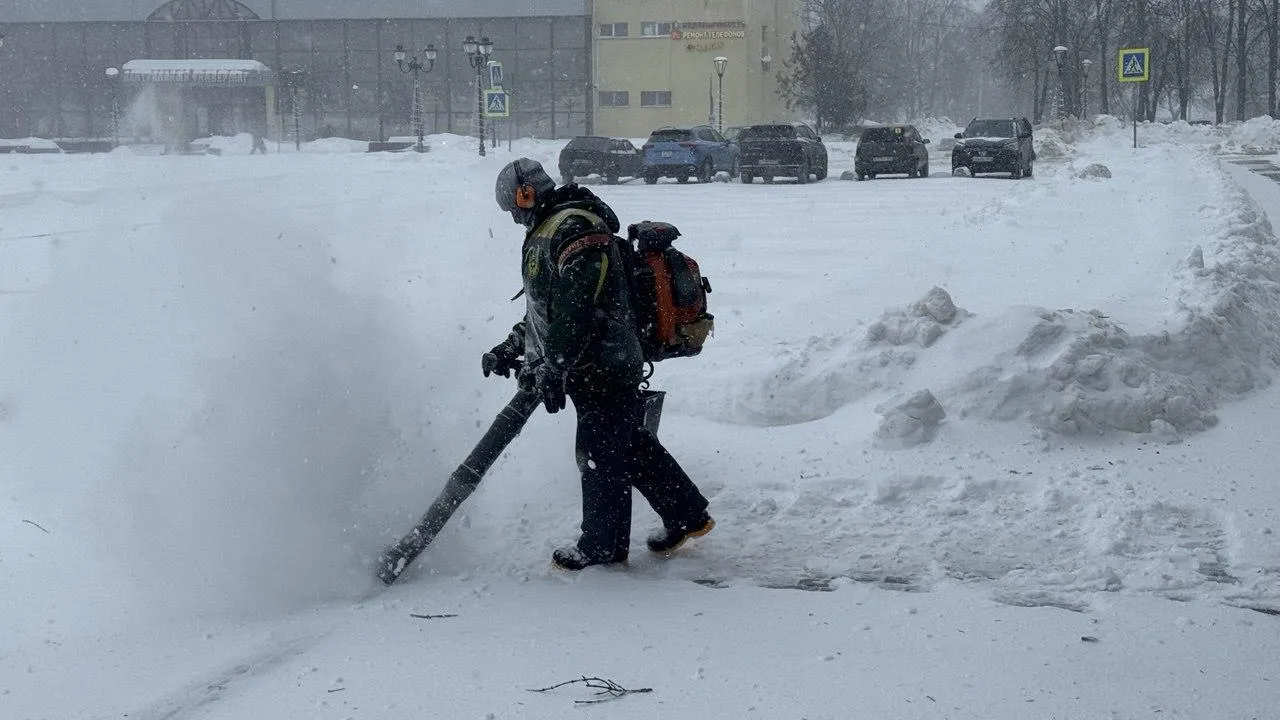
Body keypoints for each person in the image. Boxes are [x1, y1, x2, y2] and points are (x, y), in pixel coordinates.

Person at [487, 157, 714, 570]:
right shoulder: (550, 230)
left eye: (514, 208)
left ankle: (602, 546)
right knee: (630, 445)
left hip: (605, 363)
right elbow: (545, 310)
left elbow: (577, 305)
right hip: (591, 362)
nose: (514, 217)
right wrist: (509, 347)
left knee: (599, 453)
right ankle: (687, 516)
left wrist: (555, 364)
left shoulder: (574, 227)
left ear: (526, 194)